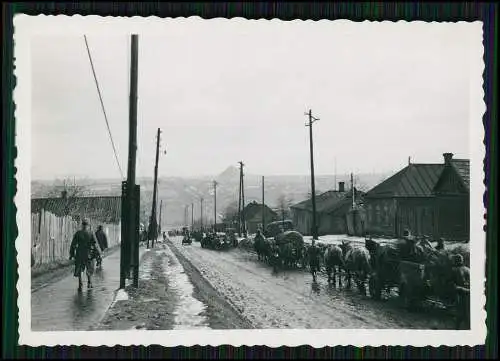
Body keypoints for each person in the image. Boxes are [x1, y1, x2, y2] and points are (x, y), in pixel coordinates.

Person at [70, 219, 100, 291]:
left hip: (80, 253)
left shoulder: (78, 233)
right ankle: (89, 282)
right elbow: (95, 244)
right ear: (88, 225)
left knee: (80, 269)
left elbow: (73, 244)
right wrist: (98, 254)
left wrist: (71, 254)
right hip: (89, 254)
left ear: (82, 225)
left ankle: (80, 284)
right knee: (89, 268)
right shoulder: (91, 233)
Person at [451, 254, 470, 329]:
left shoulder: (454, 270)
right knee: (467, 311)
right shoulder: (468, 269)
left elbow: (451, 283)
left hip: (459, 293)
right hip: (468, 292)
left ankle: (457, 329)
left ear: (455, 261)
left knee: (460, 312)